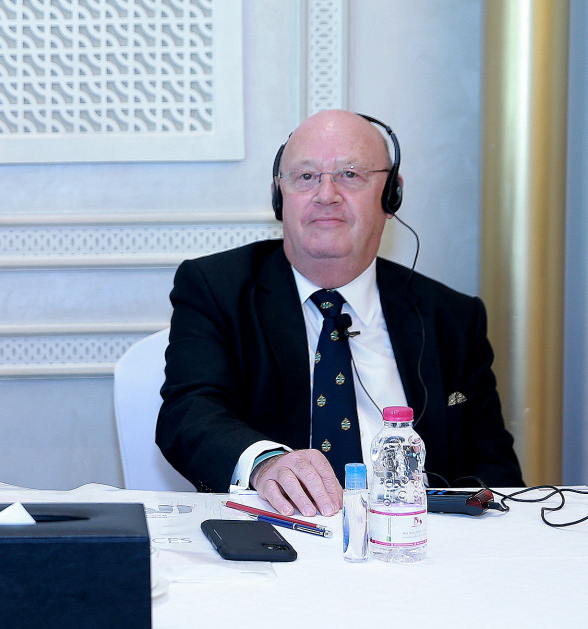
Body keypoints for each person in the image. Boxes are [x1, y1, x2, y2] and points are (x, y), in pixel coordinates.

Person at [155, 110, 523, 516]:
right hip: (281, 538)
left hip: (415, 547)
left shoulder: (452, 317)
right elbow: (189, 413)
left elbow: (495, 472)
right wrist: (265, 463)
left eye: (350, 175)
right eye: (306, 177)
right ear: (280, 196)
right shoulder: (216, 288)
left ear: (390, 196)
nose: (326, 194)